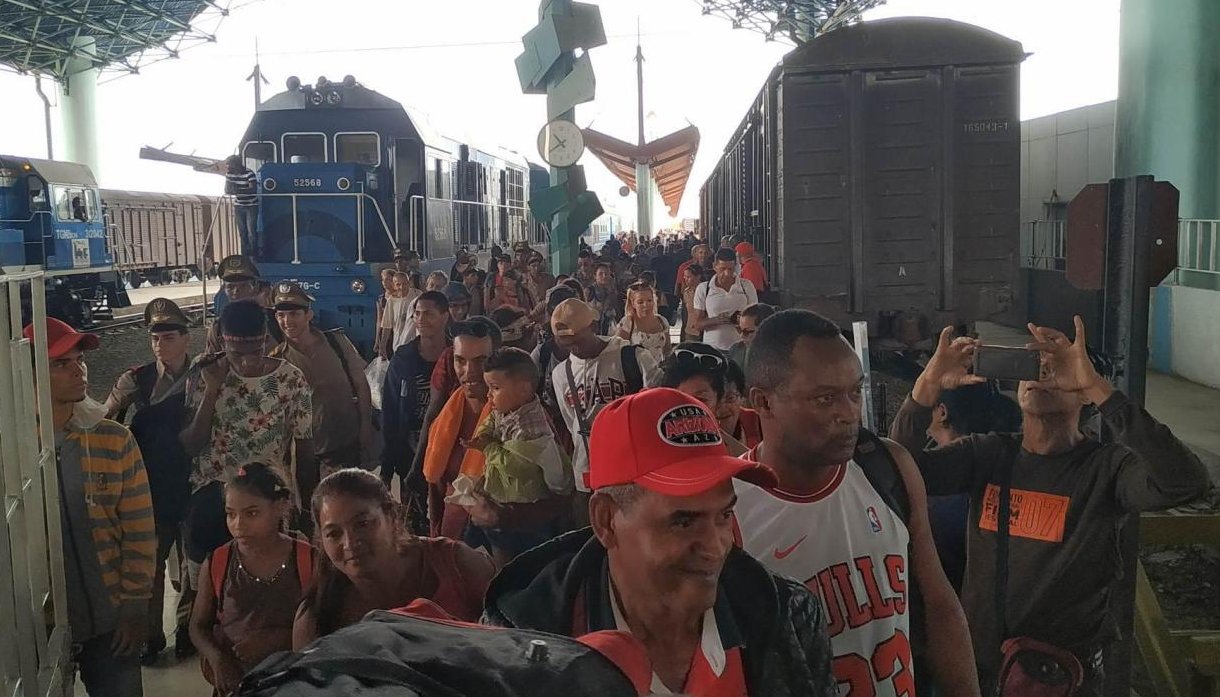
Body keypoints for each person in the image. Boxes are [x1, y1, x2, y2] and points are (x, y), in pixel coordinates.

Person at [889, 319, 1211, 696]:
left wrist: (1101, 390)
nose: (1040, 377)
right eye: (1033, 369)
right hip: (977, 668)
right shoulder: (989, 453)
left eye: (1055, 370)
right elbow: (897, 472)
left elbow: (1185, 481)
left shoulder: (1106, 469)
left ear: (1082, 392)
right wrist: (926, 389)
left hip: (1060, 678)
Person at [483, 388, 839, 697]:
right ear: (606, 520)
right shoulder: (521, 646)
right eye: (683, 521)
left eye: (724, 516)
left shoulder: (785, 616)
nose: (716, 547)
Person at [735, 309, 981, 697]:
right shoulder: (728, 514)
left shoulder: (888, 467)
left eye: (854, 392)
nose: (849, 413)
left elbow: (940, 606)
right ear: (763, 403)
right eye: (824, 399)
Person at [25, 318, 154, 697]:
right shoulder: (14, 452)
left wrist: (135, 603)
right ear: (25, 374)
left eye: (78, 360)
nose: (78, 370)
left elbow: (139, 528)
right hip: (38, 626)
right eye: (60, 364)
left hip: (111, 617)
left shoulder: (113, 439)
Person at [180, 301, 313, 587]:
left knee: (259, 589)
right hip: (210, 502)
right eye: (237, 354)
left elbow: (304, 451)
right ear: (222, 340)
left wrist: (304, 511)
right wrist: (212, 389)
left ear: (266, 340)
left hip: (264, 501)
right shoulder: (203, 373)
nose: (247, 362)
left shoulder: (290, 380)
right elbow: (191, 445)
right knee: (202, 593)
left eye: (256, 352)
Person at [293, 469, 496, 646]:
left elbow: (514, 642)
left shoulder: (455, 564)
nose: (350, 543)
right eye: (333, 534)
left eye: (362, 524)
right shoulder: (316, 617)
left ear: (390, 515)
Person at [103, 298, 196, 664]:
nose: (161, 345)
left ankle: (187, 631)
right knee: (149, 564)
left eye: (169, 337)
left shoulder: (203, 375)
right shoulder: (134, 379)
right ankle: (149, 637)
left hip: (192, 480)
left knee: (192, 563)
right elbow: (106, 418)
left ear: (186, 339)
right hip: (149, 486)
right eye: (155, 338)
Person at [190, 464, 314, 695]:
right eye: (231, 514)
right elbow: (198, 626)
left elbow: (327, 625)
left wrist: (281, 638)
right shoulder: (219, 561)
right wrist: (217, 659)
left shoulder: (306, 560)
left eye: (252, 513)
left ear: (280, 506)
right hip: (237, 683)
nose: (238, 524)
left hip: (295, 682)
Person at [447, 348, 572, 564]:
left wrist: (487, 447)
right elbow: (492, 423)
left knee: (513, 568)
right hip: (497, 502)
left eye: (495, 388)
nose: (488, 396)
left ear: (523, 390)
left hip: (525, 518)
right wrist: (484, 435)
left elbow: (518, 466)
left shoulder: (534, 433)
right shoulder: (507, 411)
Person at [549, 299, 660, 506]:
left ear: (592, 326)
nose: (574, 349)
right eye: (567, 345)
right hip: (588, 476)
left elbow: (656, 409)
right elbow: (571, 422)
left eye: (578, 341)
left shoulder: (632, 357)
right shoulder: (560, 374)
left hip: (634, 473)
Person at [271, 282, 373, 474]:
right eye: (281, 315)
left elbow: (360, 383)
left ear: (309, 315)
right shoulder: (277, 359)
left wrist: (366, 425)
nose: (287, 321)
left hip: (347, 442)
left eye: (294, 314)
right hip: (307, 452)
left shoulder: (337, 343)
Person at [416, 317, 502, 538]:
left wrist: (502, 517)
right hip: (450, 539)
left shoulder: (519, 417)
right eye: (460, 360)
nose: (469, 371)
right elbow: (437, 489)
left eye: (481, 360)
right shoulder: (446, 417)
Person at [381, 291, 449, 502]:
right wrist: (387, 464)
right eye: (417, 314)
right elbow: (390, 410)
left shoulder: (457, 357)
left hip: (448, 453)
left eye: (428, 314)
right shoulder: (403, 358)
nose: (420, 320)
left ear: (445, 315)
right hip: (409, 455)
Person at [656, 342, 748, 456]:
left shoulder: (741, 460)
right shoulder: (649, 441)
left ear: (718, 402)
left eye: (701, 399)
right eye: (679, 399)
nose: (689, 409)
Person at [206, 254, 282, 354]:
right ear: (224, 290)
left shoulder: (276, 321)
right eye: (230, 287)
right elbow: (211, 364)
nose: (236, 291)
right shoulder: (218, 327)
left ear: (255, 287)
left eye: (243, 286)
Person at [689, 247, 758, 352]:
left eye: (730, 269)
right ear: (714, 266)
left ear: (735, 267)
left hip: (741, 348)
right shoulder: (704, 289)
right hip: (713, 348)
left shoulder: (746, 286)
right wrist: (716, 320)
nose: (727, 273)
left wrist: (741, 320)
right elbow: (697, 325)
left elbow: (756, 318)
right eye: (722, 269)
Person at [615, 280, 671, 363]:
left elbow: (667, 350)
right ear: (633, 304)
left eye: (649, 300)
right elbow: (617, 352)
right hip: (636, 373)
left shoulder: (662, 321)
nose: (646, 305)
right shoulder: (628, 323)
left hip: (659, 371)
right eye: (640, 302)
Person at [719, 359, 762, 450]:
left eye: (730, 398)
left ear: (743, 398)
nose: (721, 408)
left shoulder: (758, 422)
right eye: (715, 399)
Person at [379, 270, 423, 357]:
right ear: (394, 285)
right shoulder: (391, 300)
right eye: (398, 284)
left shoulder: (417, 295)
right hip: (398, 344)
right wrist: (382, 346)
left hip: (416, 343)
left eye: (405, 283)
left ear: (409, 283)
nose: (402, 287)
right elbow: (387, 325)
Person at [725, 302, 775, 369]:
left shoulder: (785, 355)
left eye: (747, 331)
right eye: (740, 330)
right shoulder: (736, 351)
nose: (742, 336)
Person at [225, 155, 259, 254]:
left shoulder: (249, 173)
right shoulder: (229, 174)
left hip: (251, 205)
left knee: (251, 231)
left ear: (236, 164)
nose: (227, 167)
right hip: (239, 205)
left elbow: (253, 190)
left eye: (229, 164)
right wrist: (244, 190)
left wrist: (237, 190)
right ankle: (245, 253)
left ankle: (254, 252)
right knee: (242, 231)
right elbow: (227, 190)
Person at [585, 262, 623, 335]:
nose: (604, 276)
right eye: (600, 274)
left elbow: (618, 312)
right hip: (593, 329)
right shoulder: (589, 291)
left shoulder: (613, 292)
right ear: (595, 276)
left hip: (609, 329)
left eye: (606, 273)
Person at [678, 263, 705, 343]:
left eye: (688, 277)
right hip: (690, 331)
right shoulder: (686, 292)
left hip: (704, 330)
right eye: (685, 276)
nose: (685, 279)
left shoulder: (706, 291)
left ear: (698, 277)